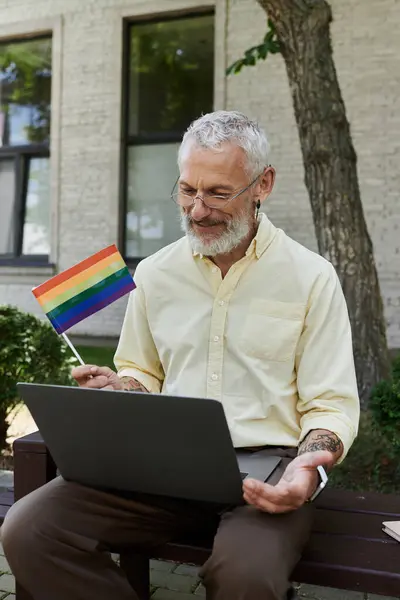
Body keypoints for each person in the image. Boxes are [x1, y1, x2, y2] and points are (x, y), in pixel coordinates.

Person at [1, 111, 360, 600]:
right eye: (188, 190)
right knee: (28, 529)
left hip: (268, 474)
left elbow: (331, 406)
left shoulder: (312, 278)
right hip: (161, 465)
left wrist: (308, 466)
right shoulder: (154, 272)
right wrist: (119, 390)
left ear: (263, 184)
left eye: (217, 193)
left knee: (245, 576)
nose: (197, 210)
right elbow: (142, 372)